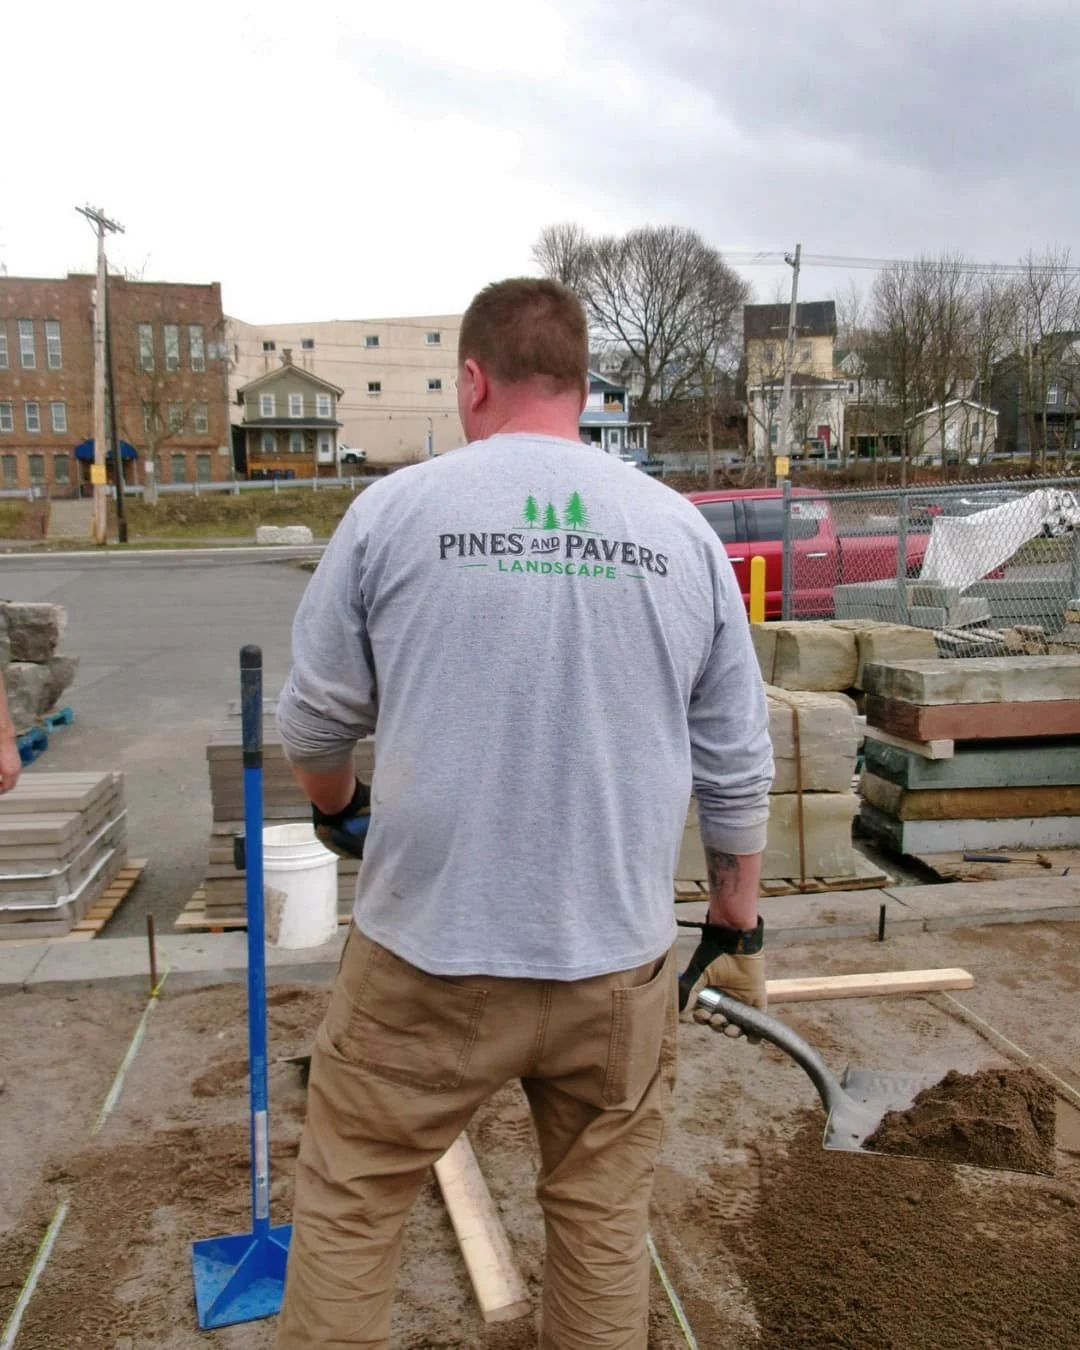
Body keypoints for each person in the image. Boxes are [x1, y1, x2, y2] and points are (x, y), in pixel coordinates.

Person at [274, 277, 774, 1349]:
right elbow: (734, 756)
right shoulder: (679, 533)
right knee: (600, 1223)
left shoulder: (396, 513)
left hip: (426, 961)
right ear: (586, 388)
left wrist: (340, 811)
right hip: (614, 967)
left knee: (355, 1207)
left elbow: (313, 728)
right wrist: (737, 909)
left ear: (472, 379)